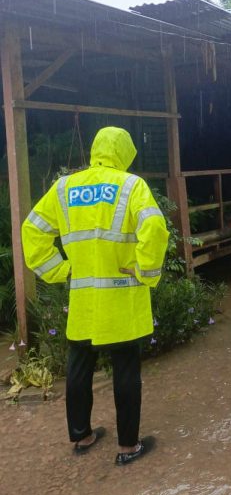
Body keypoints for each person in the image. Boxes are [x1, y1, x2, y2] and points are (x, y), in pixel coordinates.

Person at [22, 126, 169, 465]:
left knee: (79, 366)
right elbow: (155, 228)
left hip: (84, 299)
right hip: (122, 299)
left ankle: (82, 436)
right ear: (125, 153)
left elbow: (32, 229)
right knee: (126, 370)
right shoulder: (132, 186)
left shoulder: (64, 187)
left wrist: (60, 270)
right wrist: (145, 270)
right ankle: (128, 447)